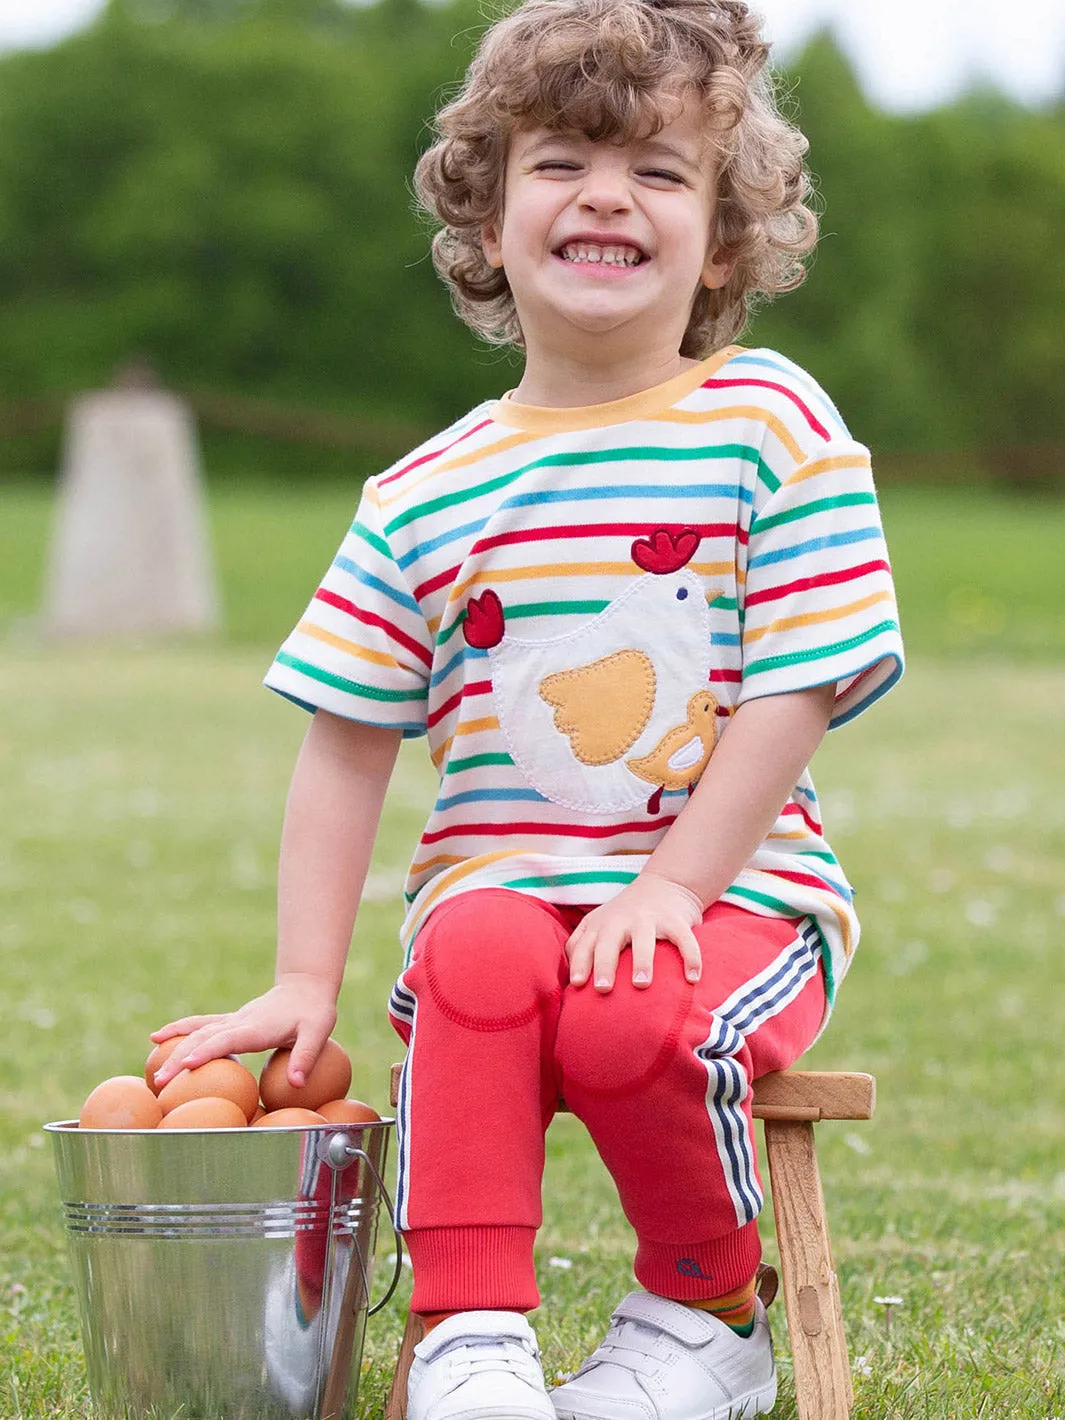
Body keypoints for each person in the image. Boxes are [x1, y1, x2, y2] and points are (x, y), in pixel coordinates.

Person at [152, 2, 904, 1416]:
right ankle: (471, 1335)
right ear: (489, 223)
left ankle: (707, 1314)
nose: (607, 194)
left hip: (734, 899)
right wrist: (306, 980)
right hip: (513, 904)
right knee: (478, 939)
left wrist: (674, 886)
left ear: (724, 240)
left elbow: (803, 679)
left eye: (660, 173)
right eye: (560, 162)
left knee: (630, 1022)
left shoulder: (769, 422)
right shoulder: (423, 490)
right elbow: (345, 739)